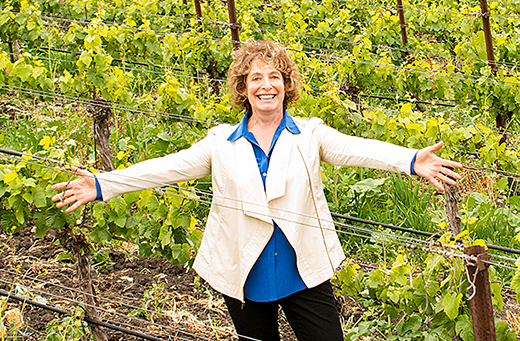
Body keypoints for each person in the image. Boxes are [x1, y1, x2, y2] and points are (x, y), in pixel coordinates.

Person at [52, 40, 462, 341]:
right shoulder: (220, 143)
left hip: (303, 271)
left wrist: (411, 159)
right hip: (244, 273)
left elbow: (359, 149)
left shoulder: (310, 135)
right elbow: (165, 168)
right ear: (243, 88)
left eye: (274, 77)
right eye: (256, 78)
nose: (266, 85)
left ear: (286, 85)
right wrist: (103, 183)